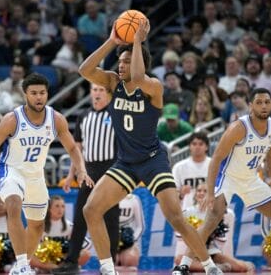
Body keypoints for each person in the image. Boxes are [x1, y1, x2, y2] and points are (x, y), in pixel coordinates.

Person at [78, 19, 222, 275]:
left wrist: (136, 42)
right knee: (91, 209)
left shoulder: (153, 86)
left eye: (126, 61)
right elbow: (84, 69)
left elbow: (138, 76)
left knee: (176, 217)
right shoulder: (112, 83)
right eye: (119, 61)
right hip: (126, 162)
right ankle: (108, 269)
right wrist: (112, 41)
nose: (120, 65)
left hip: (153, 160)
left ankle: (210, 267)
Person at [0, 73, 93, 275]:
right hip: (10, 169)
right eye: (34, 93)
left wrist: (82, 170)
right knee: (14, 204)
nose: (39, 97)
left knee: (37, 225)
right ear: (25, 94)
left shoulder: (56, 119)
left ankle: (19, 266)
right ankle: (24, 264)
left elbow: (72, 148)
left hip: (35, 175)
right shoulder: (12, 119)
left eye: (42, 93)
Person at [175, 88, 271, 275]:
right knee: (213, 218)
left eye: (267, 102)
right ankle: (183, 265)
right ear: (251, 106)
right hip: (228, 177)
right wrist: (211, 192)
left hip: (251, 179)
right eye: (259, 102)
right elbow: (216, 159)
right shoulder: (239, 128)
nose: (263, 106)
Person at [52, 83, 119, 275]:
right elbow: (77, 149)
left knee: (110, 217)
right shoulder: (83, 116)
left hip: (110, 170)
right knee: (81, 217)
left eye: (101, 90)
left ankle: (110, 263)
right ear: (90, 93)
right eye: (94, 90)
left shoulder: (115, 114)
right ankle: (72, 261)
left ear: (108, 94)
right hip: (88, 171)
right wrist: (70, 175)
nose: (97, 93)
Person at [174, 183, 253, 273]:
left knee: (241, 268)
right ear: (195, 194)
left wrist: (208, 235)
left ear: (209, 195)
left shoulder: (215, 213)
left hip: (212, 251)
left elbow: (221, 237)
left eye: (205, 191)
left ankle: (235, 264)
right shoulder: (188, 212)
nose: (201, 193)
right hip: (193, 252)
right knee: (178, 259)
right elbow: (181, 234)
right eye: (199, 190)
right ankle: (215, 267)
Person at [31, 195, 91, 273]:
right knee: (29, 257)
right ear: (49, 209)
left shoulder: (69, 227)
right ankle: (56, 269)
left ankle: (56, 269)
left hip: (63, 260)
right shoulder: (40, 226)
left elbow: (87, 244)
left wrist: (68, 254)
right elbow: (30, 247)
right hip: (45, 260)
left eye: (63, 206)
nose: (60, 209)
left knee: (86, 254)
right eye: (57, 206)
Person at [173, 132, 211, 210]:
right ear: (189, 147)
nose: (197, 147)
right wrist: (181, 193)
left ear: (206, 147)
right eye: (194, 144)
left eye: (201, 144)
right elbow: (173, 195)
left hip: (210, 212)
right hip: (187, 212)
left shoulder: (214, 165)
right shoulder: (179, 167)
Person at [116, 194, 145, 271]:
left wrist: (131, 240)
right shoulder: (106, 198)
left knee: (130, 259)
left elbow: (140, 226)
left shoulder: (133, 200)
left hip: (129, 241)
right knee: (111, 261)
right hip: (111, 240)